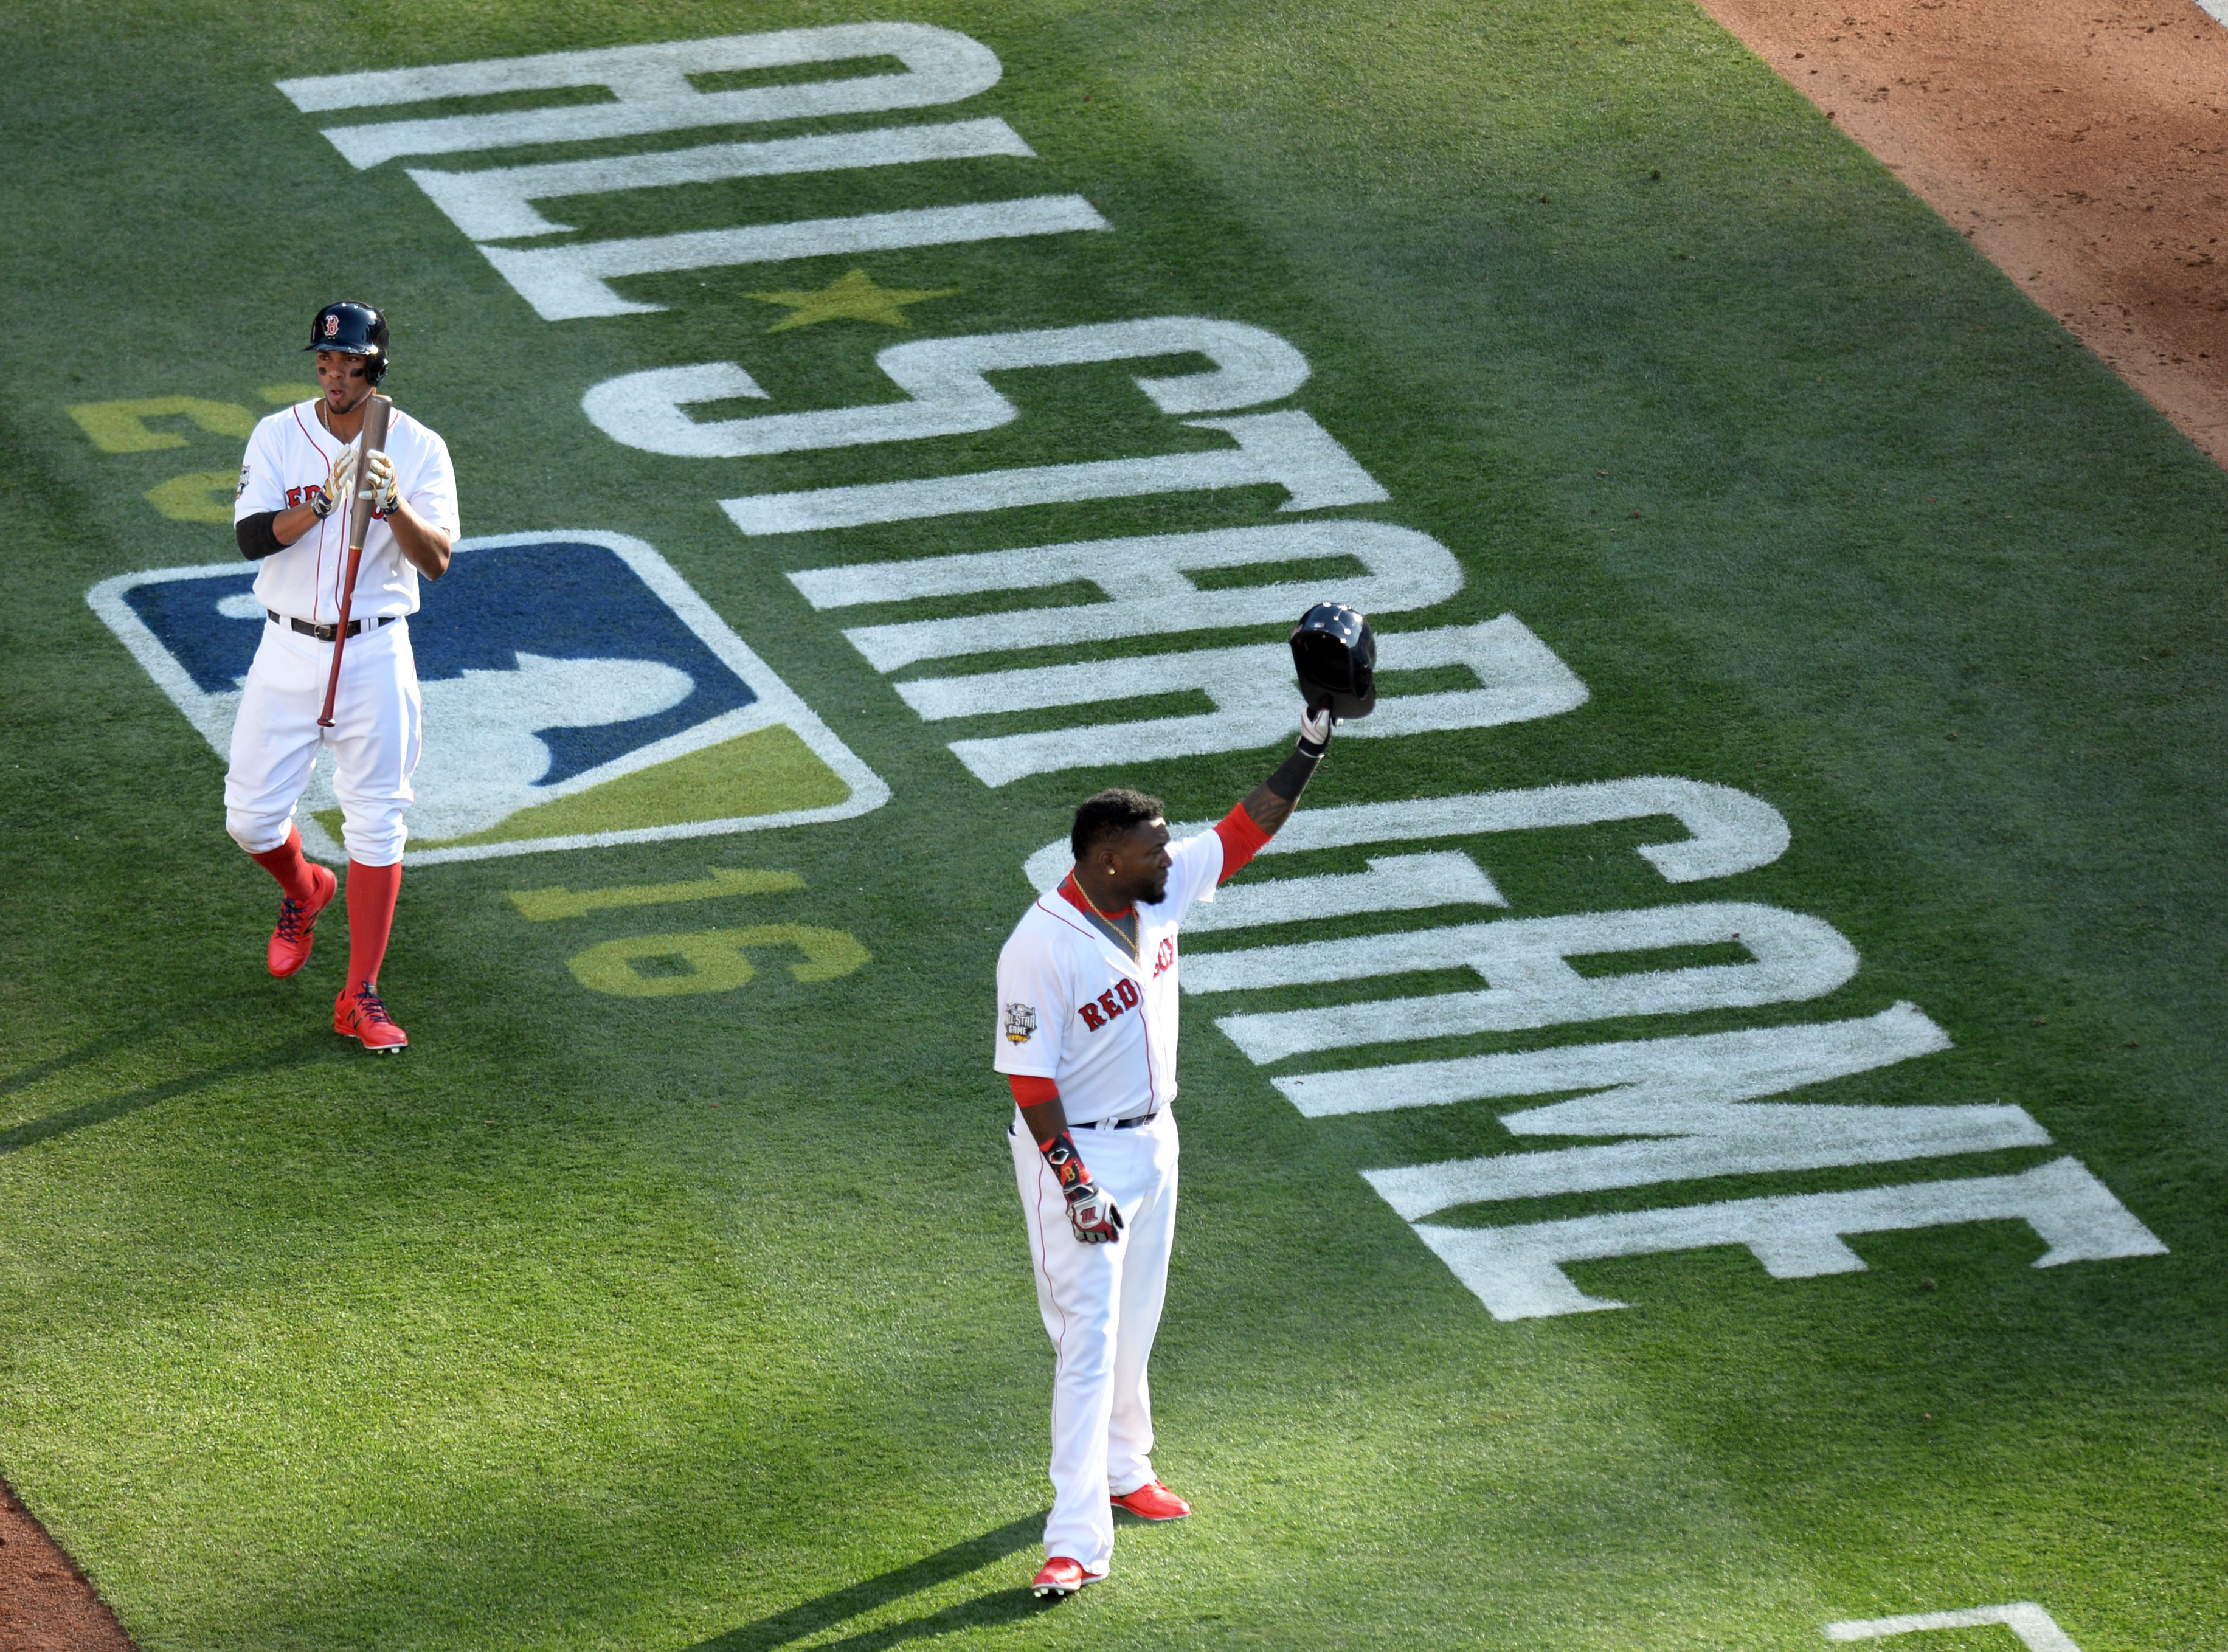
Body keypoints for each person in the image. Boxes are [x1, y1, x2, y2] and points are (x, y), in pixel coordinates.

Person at [994, 700, 1336, 1599]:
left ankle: (1124, 1465)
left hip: (1156, 1142)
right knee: (1089, 1347)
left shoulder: (1156, 888)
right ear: (1108, 858)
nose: (1170, 857)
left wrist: (1311, 745)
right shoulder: (1038, 949)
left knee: (1137, 1319)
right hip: (1079, 1158)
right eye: (1154, 849)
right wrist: (1075, 1185)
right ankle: (1076, 1538)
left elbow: (1243, 832)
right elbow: (1030, 1086)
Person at [226, 300, 459, 1052]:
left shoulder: (419, 448)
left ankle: (359, 994)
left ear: (374, 368)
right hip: (287, 650)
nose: (333, 374)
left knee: (378, 821)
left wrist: (390, 505)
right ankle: (304, 889)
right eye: (325, 361)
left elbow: (438, 560)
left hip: (374, 655)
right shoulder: (276, 435)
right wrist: (324, 503)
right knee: (250, 821)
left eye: (348, 363)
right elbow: (250, 536)